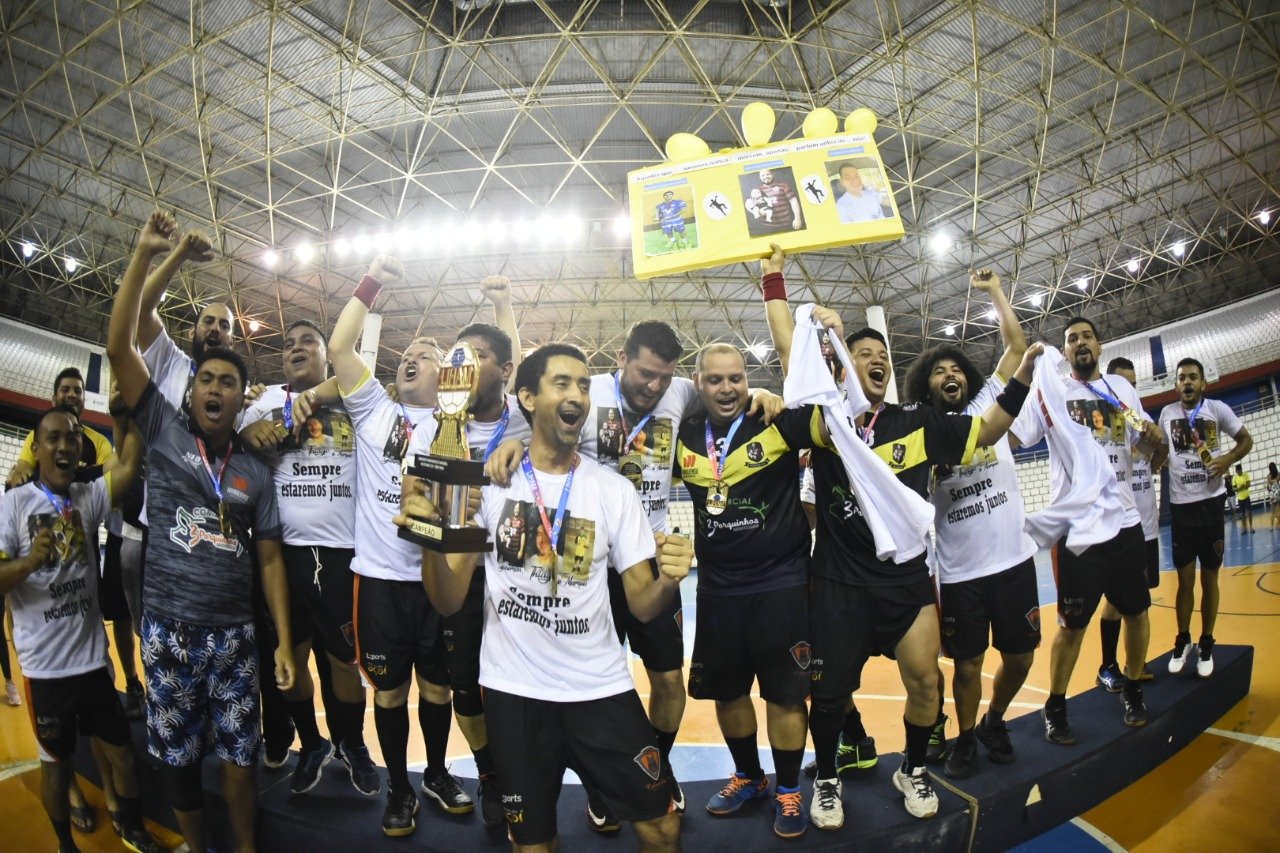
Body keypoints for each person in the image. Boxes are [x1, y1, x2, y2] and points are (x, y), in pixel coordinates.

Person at [761, 245, 1039, 827]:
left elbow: (988, 430)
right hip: (838, 583)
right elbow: (790, 351)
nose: (876, 360)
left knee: (926, 682)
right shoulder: (828, 423)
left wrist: (1022, 379)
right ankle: (828, 779)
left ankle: (912, 768)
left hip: (905, 581)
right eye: (863, 353)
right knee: (829, 695)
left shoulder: (917, 422)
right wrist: (774, 278)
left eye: (883, 355)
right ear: (844, 366)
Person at [485, 320, 784, 831]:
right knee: (599, 675)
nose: (654, 386)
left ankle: (653, 768)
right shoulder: (588, 393)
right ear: (621, 359)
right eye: (646, 373)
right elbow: (530, 416)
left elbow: (725, 390)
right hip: (588, 561)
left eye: (665, 377)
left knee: (669, 682)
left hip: (650, 557)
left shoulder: (679, 392)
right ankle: (602, 786)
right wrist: (507, 447)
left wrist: (761, 394)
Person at [397, 343, 688, 853]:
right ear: (528, 398)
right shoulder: (488, 487)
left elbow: (642, 604)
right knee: (533, 844)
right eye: (562, 383)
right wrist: (430, 541)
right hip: (516, 694)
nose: (577, 394)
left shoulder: (614, 491)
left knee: (662, 828)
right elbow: (448, 600)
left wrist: (667, 580)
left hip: (599, 687)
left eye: (584, 386)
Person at [107, 212, 296, 853]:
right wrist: (144, 252)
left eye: (229, 383)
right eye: (208, 380)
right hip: (166, 631)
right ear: (192, 393)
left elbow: (269, 563)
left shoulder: (254, 470)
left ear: (243, 400)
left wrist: (283, 642)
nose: (216, 388)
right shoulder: (163, 430)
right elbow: (120, 348)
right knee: (177, 759)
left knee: (240, 759)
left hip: (234, 638)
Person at [298, 254, 468, 837]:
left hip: (437, 583)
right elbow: (340, 346)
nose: (411, 359)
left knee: (439, 688)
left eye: (427, 355)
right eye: (405, 356)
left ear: (448, 377)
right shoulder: (373, 407)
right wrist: (371, 283)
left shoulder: (459, 424)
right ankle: (399, 787)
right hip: (378, 581)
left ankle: (437, 773)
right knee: (390, 694)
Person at [0, 404, 162, 853]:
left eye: (72, 437)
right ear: (37, 448)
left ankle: (132, 826)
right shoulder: (12, 504)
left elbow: (128, 466)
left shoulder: (86, 497)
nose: (64, 445)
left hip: (92, 664)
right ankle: (64, 844)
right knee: (56, 766)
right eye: (53, 438)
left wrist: (131, 415)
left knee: (121, 751)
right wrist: (28, 562)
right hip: (46, 672)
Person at [399, 279, 530, 829]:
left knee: (521, 685)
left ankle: (528, 773)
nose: (466, 366)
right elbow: (411, 495)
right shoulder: (432, 426)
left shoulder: (527, 415)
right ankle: (489, 772)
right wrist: (429, 505)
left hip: (522, 572)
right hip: (461, 571)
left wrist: (503, 304)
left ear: (505, 371)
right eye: (460, 357)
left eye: (479, 357)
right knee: (465, 687)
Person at [901, 270, 1040, 780]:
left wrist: (996, 291)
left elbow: (1016, 347)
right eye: (938, 371)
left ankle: (994, 721)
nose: (949, 374)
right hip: (961, 572)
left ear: (968, 379)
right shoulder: (921, 433)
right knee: (966, 666)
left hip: (1014, 559)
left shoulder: (986, 406)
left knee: (1020, 658)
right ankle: (963, 737)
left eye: (956, 368)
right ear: (927, 384)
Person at [675, 342, 817, 839]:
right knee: (728, 691)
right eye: (715, 379)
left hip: (782, 580)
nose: (727, 388)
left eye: (736, 378)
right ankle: (750, 776)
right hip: (717, 587)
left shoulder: (771, 419)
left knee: (786, 694)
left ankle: (789, 789)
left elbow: (828, 413)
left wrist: (777, 394)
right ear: (698, 383)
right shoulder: (684, 433)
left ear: (747, 380)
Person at [239, 318, 379, 798]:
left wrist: (316, 395)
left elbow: (354, 378)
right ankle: (312, 744)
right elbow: (234, 442)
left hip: (343, 554)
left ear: (326, 354)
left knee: (344, 661)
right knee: (292, 661)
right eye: (287, 345)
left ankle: (352, 743)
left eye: (308, 342)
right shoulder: (262, 403)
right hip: (285, 556)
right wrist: (249, 432)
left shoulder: (350, 399)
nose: (296, 349)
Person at [1010, 317, 1165, 745]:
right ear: (1065, 352)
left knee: (1137, 612)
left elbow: (1143, 450)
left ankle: (1132, 687)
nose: (1080, 342)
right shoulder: (1050, 393)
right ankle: (1056, 705)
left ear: (1099, 345)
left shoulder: (1122, 390)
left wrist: (1154, 440)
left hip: (1126, 522)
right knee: (1072, 626)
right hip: (1078, 528)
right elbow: (1015, 436)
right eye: (1071, 339)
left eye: (1087, 336)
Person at [1158, 357, 1252, 678]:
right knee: (1184, 581)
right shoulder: (1167, 414)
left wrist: (1227, 459)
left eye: (1192, 377)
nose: (1187, 382)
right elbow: (1161, 452)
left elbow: (1246, 440)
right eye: (1181, 377)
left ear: (1203, 383)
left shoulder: (1218, 409)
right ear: (1176, 384)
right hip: (1181, 508)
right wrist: (1147, 459)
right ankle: (1183, 638)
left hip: (1211, 505)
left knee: (1210, 578)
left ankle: (1207, 641)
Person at [1095, 357, 1167, 691]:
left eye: (1134, 384)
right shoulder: (1102, 423)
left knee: (1137, 601)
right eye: (1125, 383)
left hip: (1145, 524)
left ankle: (1133, 664)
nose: (1130, 389)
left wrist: (1158, 452)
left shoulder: (1141, 420)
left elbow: (1161, 453)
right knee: (1116, 599)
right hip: (1120, 524)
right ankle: (1109, 664)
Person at [5, 368, 116, 490]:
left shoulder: (101, 443)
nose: (72, 394)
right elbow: (19, 479)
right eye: (65, 390)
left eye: (77, 391)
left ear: (84, 401)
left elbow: (105, 487)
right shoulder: (36, 435)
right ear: (54, 399)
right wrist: (86, 473)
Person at [1233, 464, 1254, 533]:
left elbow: (1249, 484)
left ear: (1241, 470)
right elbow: (1234, 489)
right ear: (1236, 471)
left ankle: (1251, 527)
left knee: (1249, 512)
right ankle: (1244, 528)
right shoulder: (1234, 478)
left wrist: (1244, 486)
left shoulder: (1246, 475)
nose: (1239, 472)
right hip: (1240, 498)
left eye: (1239, 471)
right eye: (1237, 471)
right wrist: (1239, 488)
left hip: (1246, 496)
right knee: (1242, 514)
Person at [1268, 462, 1280, 528]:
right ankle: (1278, 522)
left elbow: (1267, 487)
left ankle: (1271, 527)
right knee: (1278, 511)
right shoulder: (1278, 474)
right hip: (1278, 492)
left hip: (1272, 494)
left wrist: (1270, 493)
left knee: (1272, 512)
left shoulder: (1269, 476)